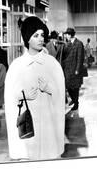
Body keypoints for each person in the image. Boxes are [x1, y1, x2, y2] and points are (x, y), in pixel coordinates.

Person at [4, 16, 65, 161]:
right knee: (29, 157)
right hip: (28, 125)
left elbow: (61, 93)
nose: (40, 39)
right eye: (35, 35)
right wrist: (21, 95)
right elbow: (9, 95)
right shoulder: (16, 66)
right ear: (27, 39)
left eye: (42, 35)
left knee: (46, 157)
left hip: (47, 124)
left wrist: (48, 88)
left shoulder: (52, 64)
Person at [63, 27, 84, 111]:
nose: (66, 36)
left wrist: (77, 69)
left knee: (75, 87)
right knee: (68, 86)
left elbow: (80, 57)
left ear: (70, 35)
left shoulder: (79, 44)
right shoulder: (67, 43)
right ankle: (74, 100)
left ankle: (76, 103)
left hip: (75, 69)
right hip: (68, 69)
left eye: (67, 34)